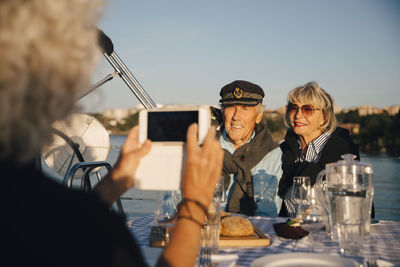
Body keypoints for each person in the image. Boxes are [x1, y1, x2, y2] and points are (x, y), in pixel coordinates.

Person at [0, 1, 223, 267]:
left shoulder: (27, 205)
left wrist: (117, 179)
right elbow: (63, 229)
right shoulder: (96, 233)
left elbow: (60, 227)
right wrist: (194, 207)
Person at [277, 81, 360, 217]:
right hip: (292, 229)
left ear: (324, 117)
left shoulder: (343, 149)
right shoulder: (284, 150)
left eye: (307, 109)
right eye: (294, 108)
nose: (298, 115)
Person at [217, 80, 283, 216]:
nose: (236, 116)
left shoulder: (271, 153)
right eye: (231, 107)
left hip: (250, 231)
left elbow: (266, 213)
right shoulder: (205, 145)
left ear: (258, 116)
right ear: (223, 112)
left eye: (245, 109)